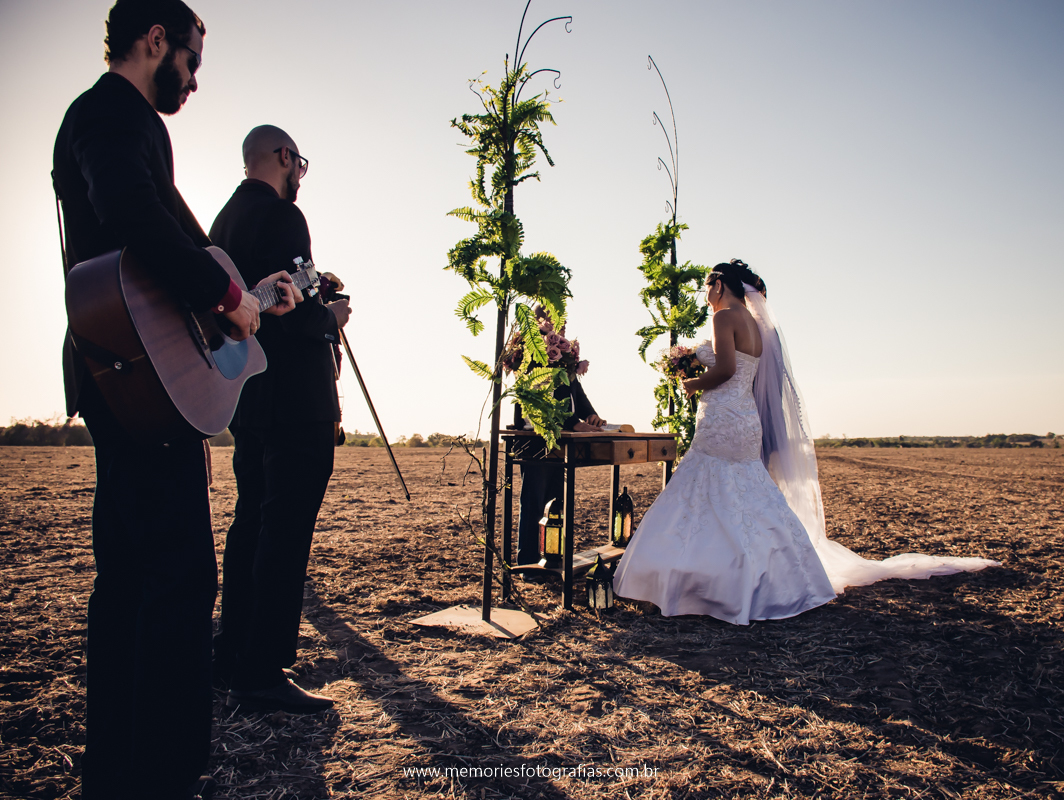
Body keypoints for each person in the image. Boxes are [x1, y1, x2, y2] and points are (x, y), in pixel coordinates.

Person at [52, 2, 297, 798]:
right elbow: (135, 216)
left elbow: (177, 244)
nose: (193, 81)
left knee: (129, 575)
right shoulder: (111, 113)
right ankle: (160, 772)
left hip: (126, 375)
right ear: (155, 41)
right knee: (179, 576)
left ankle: (118, 772)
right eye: (190, 61)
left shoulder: (111, 120)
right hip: (133, 381)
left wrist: (249, 298)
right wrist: (229, 294)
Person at [614, 260, 997, 623]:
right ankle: (772, 577)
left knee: (703, 488)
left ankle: (694, 579)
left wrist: (692, 381)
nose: (705, 295)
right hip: (744, 419)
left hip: (722, 417)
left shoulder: (725, 316)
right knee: (745, 491)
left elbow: (727, 370)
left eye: (707, 287)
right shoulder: (754, 323)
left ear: (719, 285)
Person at [209, 125, 351, 713]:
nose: (300, 176)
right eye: (300, 163)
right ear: (284, 158)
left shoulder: (222, 223)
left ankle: (231, 653)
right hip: (298, 401)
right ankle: (263, 669)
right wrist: (332, 317)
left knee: (251, 524)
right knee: (286, 532)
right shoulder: (285, 219)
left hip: (249, 397)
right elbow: (298, 307)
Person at [509, 314, 606, 567]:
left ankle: (550, 559)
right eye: (550, 318)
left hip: (562, 439)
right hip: (536, 437)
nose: (558, 325)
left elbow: (575, 391)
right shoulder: (529, 352)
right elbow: (540, 399)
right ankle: (528, 563)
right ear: (537, 321)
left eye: (560, 320)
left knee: (555, 502)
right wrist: (574, 424)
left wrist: (591, 415)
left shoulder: (564, 352)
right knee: (535, 502)